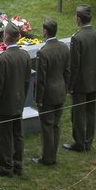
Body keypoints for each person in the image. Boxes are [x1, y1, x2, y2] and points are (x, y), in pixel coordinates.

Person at [25, 18, 69, 166]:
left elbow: (41, 79)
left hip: (48, 94)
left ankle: (47, 157)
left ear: (45, 31)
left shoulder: (43, 52)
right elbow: (67, 71)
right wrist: (65, 89)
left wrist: (39, 98)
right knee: (55, 124)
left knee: (47, 126)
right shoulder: (63, 47)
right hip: (60, 90)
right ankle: (53, 155)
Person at [0, 23, 31, 176]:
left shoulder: (3, 59)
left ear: (7, 37)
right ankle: (18, 164)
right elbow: (27, 81)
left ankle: (6, 166)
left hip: (5, 104)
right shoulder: (25, 55)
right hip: (19, 100)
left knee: (6, 135)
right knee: (18, 134)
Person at [65, 7, 96, 153]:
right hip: (94, 80)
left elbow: (74, 65)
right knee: (91, 112)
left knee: (78, 113)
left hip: (80, 83)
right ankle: (88, 140)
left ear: (79, 19)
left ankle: (79, 142)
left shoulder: (77, 38)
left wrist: (70, 85)